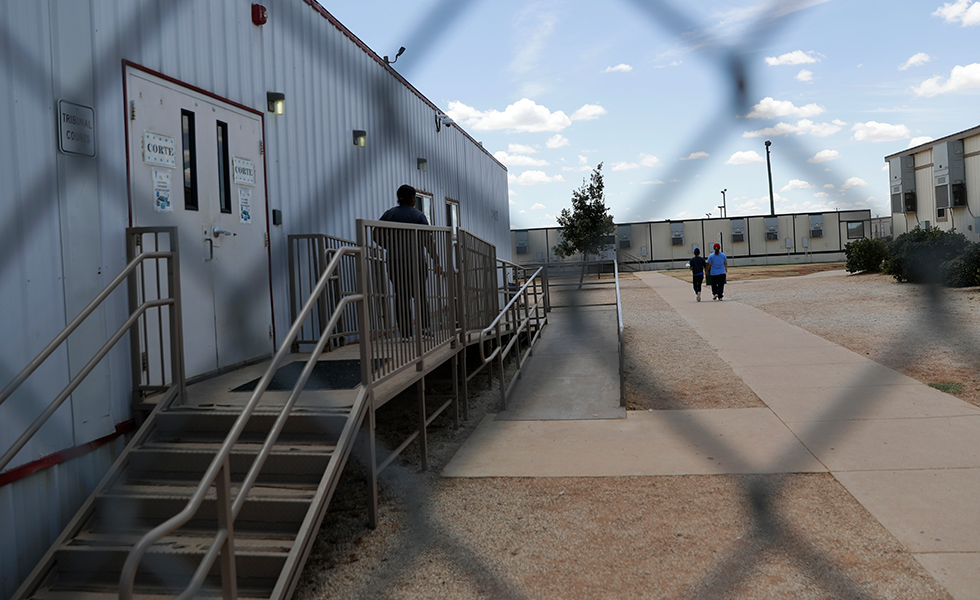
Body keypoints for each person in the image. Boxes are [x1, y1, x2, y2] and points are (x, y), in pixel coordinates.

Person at [378, 185, 443, 337]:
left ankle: (406, 334)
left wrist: (388, 246)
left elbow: (376, 233)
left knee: (401, 296)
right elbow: (428, 240)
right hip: (416, 262)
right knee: (420, 294)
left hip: (395, 261)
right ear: (413, 199)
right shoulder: (418, 216)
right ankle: (425, 330)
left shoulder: (389, 214)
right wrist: (437, 261)